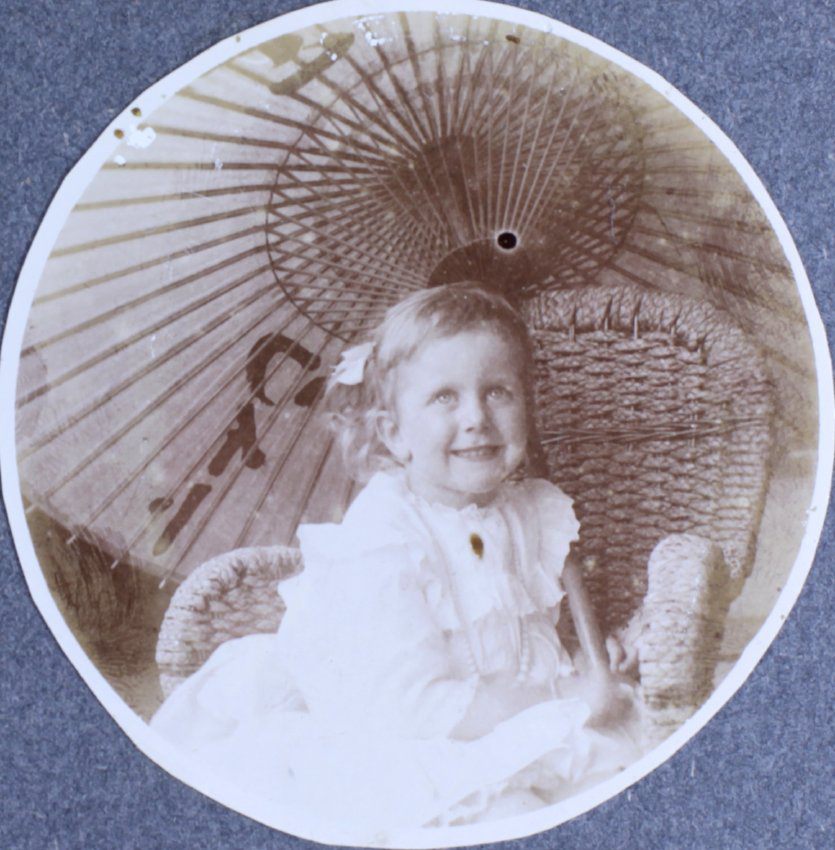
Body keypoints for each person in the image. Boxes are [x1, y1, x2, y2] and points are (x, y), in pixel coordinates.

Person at [151, 283, 643, 837]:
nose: (477, 417)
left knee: (624, 783)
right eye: (444, 398)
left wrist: (584, 660)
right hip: (411, 739)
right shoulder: (383, 537)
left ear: (528, 406)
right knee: (508, 817)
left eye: (499, 392)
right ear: (394, 432)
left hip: (510, 717)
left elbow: (522, 632)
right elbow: (412, 708)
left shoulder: (535, 510)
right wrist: (563, 697)